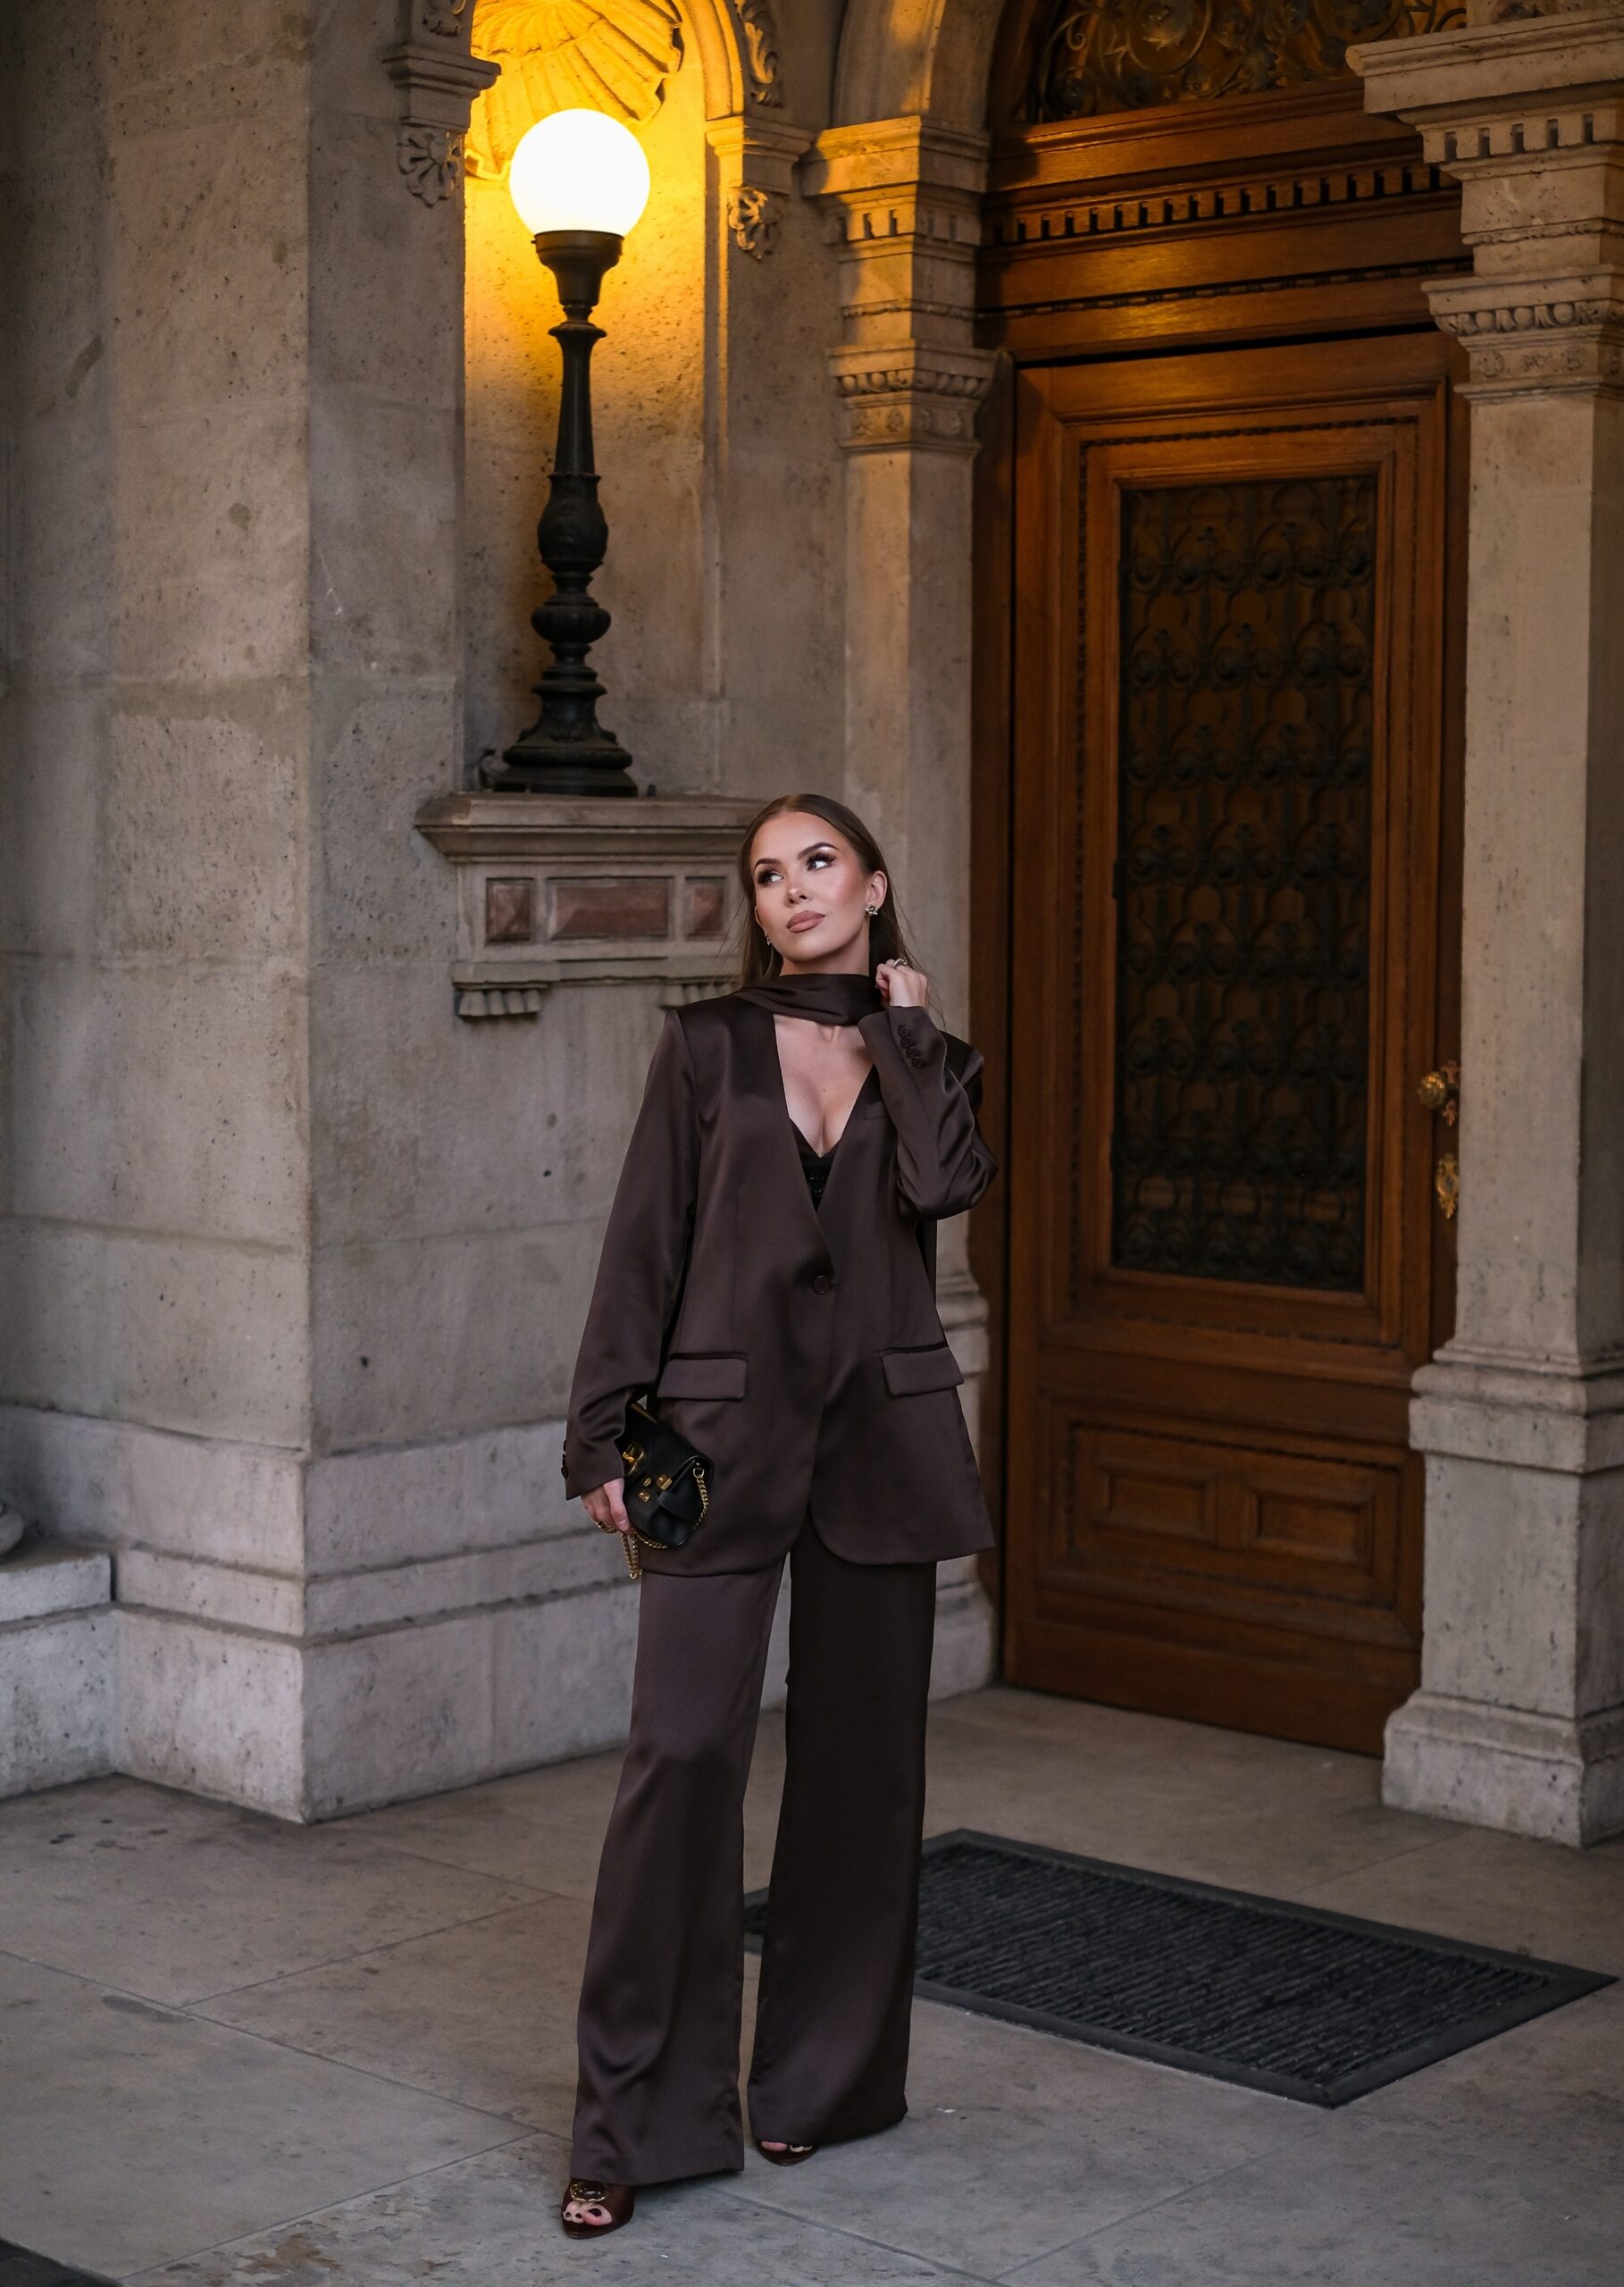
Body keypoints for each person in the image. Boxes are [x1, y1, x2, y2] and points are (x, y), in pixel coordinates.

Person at [555, 792, 999, 2238]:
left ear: (871, 883)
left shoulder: (934, 1060)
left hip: (883, 1442)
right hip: (713, 1440)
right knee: (680, 1758)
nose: (792, 889)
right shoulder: (705, 1046)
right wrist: (602, 1431)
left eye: (817, 862)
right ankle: (633, 2121)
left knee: (863, 1778)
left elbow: (943, 1186)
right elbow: (644, 1242)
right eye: (766, 875)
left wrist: (910, 1038)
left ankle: (822, 2082)